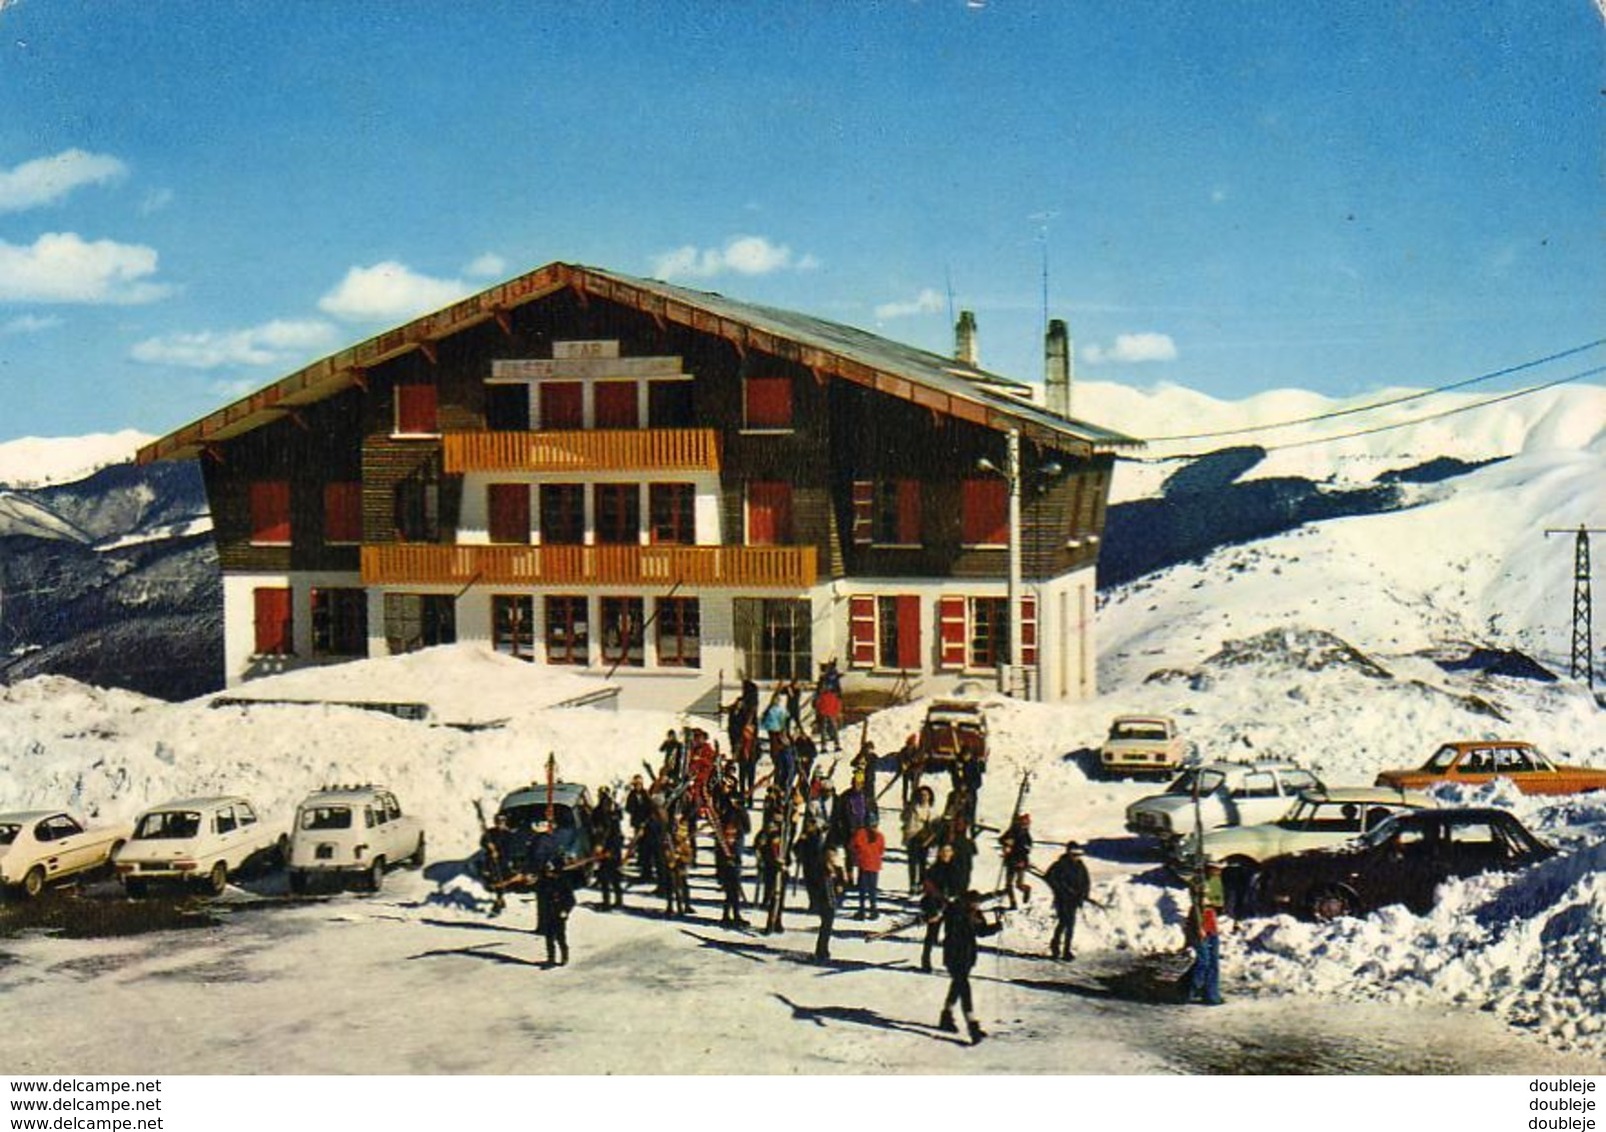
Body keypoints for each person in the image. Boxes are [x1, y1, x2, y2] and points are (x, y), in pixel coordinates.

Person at [937, 889, 1000, 1043]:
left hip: (967, 955)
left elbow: (981, 932)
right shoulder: (953, 910)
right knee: (964, 987)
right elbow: (955, 928)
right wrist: (969, 919)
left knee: (957, 985)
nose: (977, 906)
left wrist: (996, 926)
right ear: (966, 902)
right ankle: (972, 1025)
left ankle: (946, 1016)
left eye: (978, 904)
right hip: (954, 954)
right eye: (975, 903)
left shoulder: (974, 913)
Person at [920, 841, 965, 972]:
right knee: (931, 932)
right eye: (943, 852)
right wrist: (939, 899)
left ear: (952, 853)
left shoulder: (956, 868)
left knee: (952, 934)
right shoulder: (934, 869)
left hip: (951, 905)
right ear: (939, 853)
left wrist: (954, 896)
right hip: (935, 904)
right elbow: (928, 886)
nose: (946, 854)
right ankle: (926, 959)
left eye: (948, 851)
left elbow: (959, 886)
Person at [1043, 841, 1091, 960]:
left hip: (1074, 900)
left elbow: (1086, 882)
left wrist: (1084, 894)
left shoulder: (1081, 867)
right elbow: (1049, 878)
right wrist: (1061, 890)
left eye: (1079, 855)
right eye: (1074, 854)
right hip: (1062, 899)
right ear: (1068, 853)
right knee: (1063, 922)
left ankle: (1066, 951)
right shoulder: (1060, 864)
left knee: (1070, 925)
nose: (1077, 857)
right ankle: (1055, 946)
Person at [1186, 860, 1225, 1005]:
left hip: (1211, 923)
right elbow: (1197, 906)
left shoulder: (1216, 883)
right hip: (1200, 924)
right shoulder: (1197, 882)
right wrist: (1199, 928)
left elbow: (1219, 903)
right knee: (1204, 960)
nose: (1217, 872)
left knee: (1213, 961)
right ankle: (1192, 990)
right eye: (1215, 869)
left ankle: (1212, 995)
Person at [534, 858, 576, 967]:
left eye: (550, 871)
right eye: (547, 871)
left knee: (560, 937)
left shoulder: (563, 882)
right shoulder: (544, 882)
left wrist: (565, 910)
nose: (548, 874)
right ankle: (551, 958)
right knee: (549, 937)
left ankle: (564, 956)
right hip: (548, 912)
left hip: (559, 913)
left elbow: (571, 900)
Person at [848, 813, 886, 920]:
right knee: (872, 889)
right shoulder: (880, 836)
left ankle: (862, 910)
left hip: (863, 864)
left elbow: (852, 845)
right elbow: (881, 850)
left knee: (862, 889)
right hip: (875, 865)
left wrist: (856, 856)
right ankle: (873, 910)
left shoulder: (860, 833)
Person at [901, 784, 937, 895]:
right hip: (911, 837)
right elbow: (903, 818)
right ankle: (912, 884)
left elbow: (932, 825)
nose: (924, 797)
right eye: (922, 795)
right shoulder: (913, 807)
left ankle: (921, 884)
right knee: (912, 862)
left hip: (922, 838)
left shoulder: (930, 810)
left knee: (922, 863)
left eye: (926, 795)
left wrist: (930, 838)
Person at [999, 812, 1034, 909]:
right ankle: (1013, 902)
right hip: (1012, 860)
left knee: (1016, 884)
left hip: (1019, 861)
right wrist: (1006, 842)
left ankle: (1024, 891)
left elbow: (1028, 848)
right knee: (1010, 884)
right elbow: (1001, 839)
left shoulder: (1025, 834)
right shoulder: (1013, 831)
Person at [813, 661, 844, 752]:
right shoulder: (825, 694)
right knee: (825, 729)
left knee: (832, 729)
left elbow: (837, 703)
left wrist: (837, 711)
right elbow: (818, 704)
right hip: (825, 712)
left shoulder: (830, 693)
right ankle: (826, 746)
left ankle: (835, 744)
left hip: (829, 712)